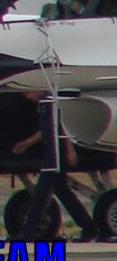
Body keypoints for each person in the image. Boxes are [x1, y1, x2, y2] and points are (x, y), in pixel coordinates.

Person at [11, 90, 100, 240]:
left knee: (41, 193)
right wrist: (27, 143)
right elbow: (47, 129)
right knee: (63, 191)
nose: (27, 96)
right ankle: (89, 228)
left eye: (28, 93)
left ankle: (28, 232)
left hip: (57, 151)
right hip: (51, 148)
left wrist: (70, 151)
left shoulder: (51, 102)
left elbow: (63, 126)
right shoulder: (42, 105)